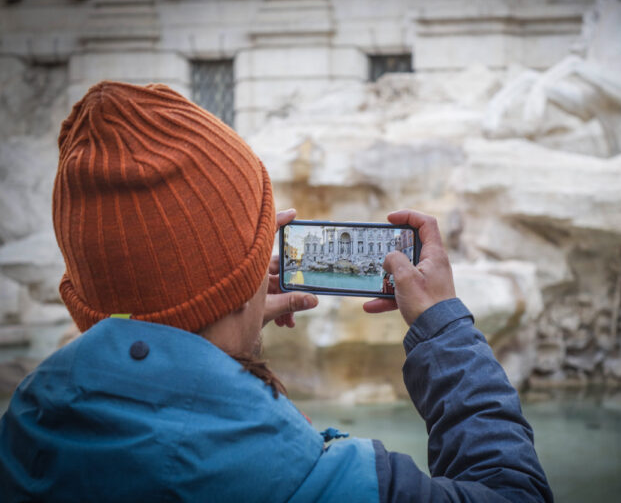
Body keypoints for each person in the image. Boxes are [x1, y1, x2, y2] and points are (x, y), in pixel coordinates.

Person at [0, 82, 552, 502]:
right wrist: (444, 327)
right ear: (242, 285)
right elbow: (513, 492)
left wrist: (219, 334)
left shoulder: (26, 425)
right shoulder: (297, 476)